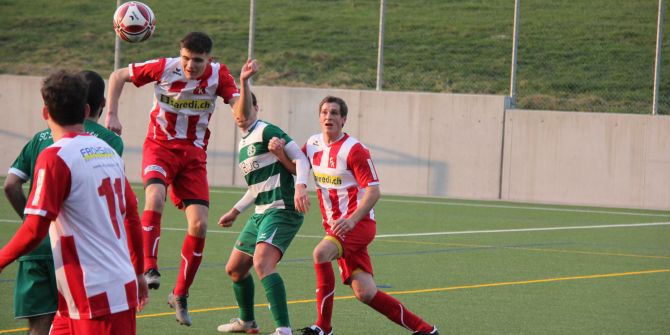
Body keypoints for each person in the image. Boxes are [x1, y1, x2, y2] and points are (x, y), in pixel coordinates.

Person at [106, 31, 258, 326]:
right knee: (154, 197)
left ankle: (180, 293)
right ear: (181, 54)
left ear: (209, 60)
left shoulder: (219, 75)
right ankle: (149, 267)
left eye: (197, 61)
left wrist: (243, 83)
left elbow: (244, 116)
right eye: (186, 58)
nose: (190, 66)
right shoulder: (165, 66)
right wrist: (112, 113)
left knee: (199, 224)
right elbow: (117, 75)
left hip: (193, 158)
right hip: (159, 148)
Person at [271, 96, 439, 335]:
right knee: (365, 293)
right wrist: (280, 154)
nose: (329, 116)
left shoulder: (354, 150)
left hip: (358, 224)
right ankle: (425, 330)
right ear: (320, 117)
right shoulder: (313, 144)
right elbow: (299, 168)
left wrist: (351, 220)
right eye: (325, 112)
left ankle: (323, 327)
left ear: (344, 119)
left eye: (335, 113)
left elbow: (374, 191)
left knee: (320, 253)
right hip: (336, 228)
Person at [0, 70, 148, 334]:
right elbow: (133, 216)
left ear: (46, 113)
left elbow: (34, 229)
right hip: (89, 292)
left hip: (95, 294)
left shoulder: (55, 156)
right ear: (87, 109)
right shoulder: (108, 151)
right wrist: (138, 272)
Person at [215, 92, 310, 335]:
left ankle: (283, 329)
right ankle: (247, 322)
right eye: (236, 110)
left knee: (263, 263)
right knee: (235, 269)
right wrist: (235, 211)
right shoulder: (243, 144)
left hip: (282, 208)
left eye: (246, 108)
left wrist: (300, 187)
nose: (240, 114)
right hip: (261, 211)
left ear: (257, 107)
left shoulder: (267, 130)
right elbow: (255, 188)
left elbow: (301, 159)